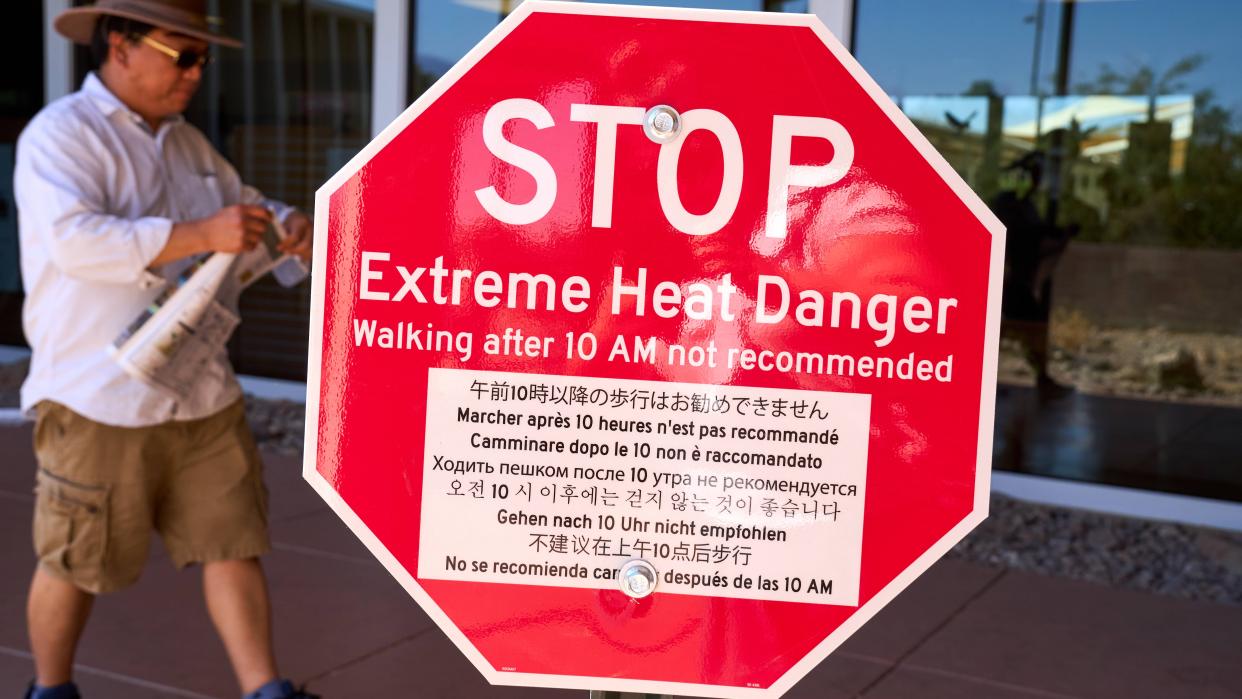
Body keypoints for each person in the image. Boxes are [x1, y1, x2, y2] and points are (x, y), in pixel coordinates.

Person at [15, 2, 316, 698]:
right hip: (98, 393)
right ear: (119, 46)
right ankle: (50, 691)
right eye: (184, 55)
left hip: (201, 387)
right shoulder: (60, 136)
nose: (197, 72)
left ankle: (265, 690)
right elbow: (77, 242)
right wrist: (203, 232)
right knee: (73, 559)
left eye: (204, 58)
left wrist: (283, 225)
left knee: (233, 540)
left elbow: (244, 210)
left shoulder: (187, 145)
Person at [991, 149, 1076, 400]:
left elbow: (1035, 238)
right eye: (1034, 175)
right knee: (1029, 328)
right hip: (1007, 280)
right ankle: (1042, 380)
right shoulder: (1008, 204)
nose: (1038, 181)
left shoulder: (1025, 205)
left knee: (1016, 330)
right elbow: (1017, 236)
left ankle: (1041, 379)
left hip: (1018, 281)